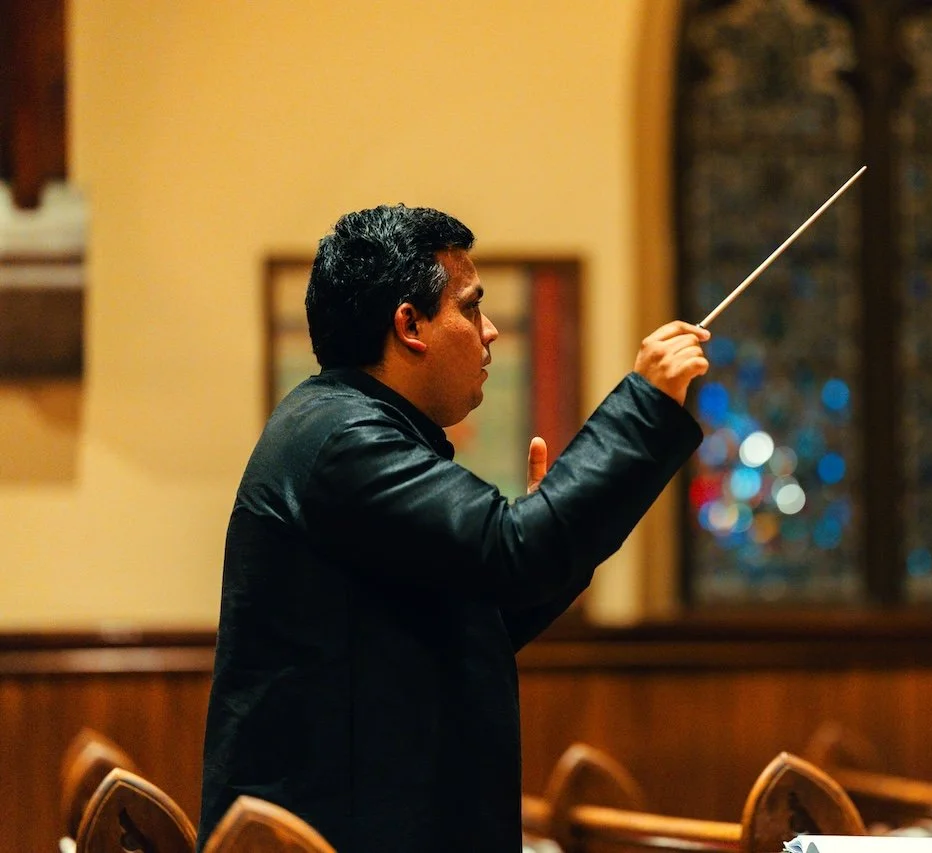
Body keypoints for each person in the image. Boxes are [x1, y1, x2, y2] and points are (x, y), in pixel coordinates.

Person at [197, 204, 709, 852]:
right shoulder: (344, 439)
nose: (490, 330)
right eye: (469, 307)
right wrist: (644, 405)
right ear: (410, 324)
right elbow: (516, 551)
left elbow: (479, 611)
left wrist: (553, 535)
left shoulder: (348, 427)